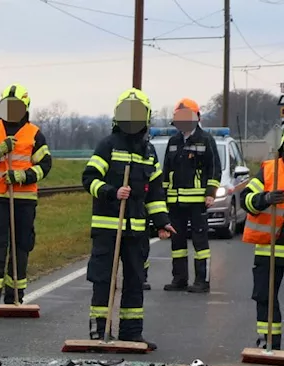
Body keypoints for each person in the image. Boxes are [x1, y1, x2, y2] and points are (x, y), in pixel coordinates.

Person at [80, 88, 175, 350]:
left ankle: (131, 333)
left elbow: (155, 193)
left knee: (135, 280)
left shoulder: (148, 152)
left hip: (136, 231)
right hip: (107, 229)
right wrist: (112, 192)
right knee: (103, 280)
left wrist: (162, 221)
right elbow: (88, 179)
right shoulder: (107, 146)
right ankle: (99, 332)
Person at [0, 84, 53, 311]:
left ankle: (15, 295)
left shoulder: (34, 134)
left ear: (25, 108)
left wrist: (22, 176)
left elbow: (45, 166)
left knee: (21, 246)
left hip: (24, 199)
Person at [160, 98, 222, 293]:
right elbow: (166, 172)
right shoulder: (173, 141)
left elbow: (214, 169)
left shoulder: (206, 140)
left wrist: (210, 194)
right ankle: (179, 279)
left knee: (200, 242)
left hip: (197, 202)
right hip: (176, 202)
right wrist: (163, 199)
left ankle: (201, 281)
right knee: (177, 242)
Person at [239, 133, 284, 350]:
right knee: (265, 298)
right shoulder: (270, 170)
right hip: (270, 249)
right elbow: (245, 199)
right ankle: (269, 343)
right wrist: (264, 199)